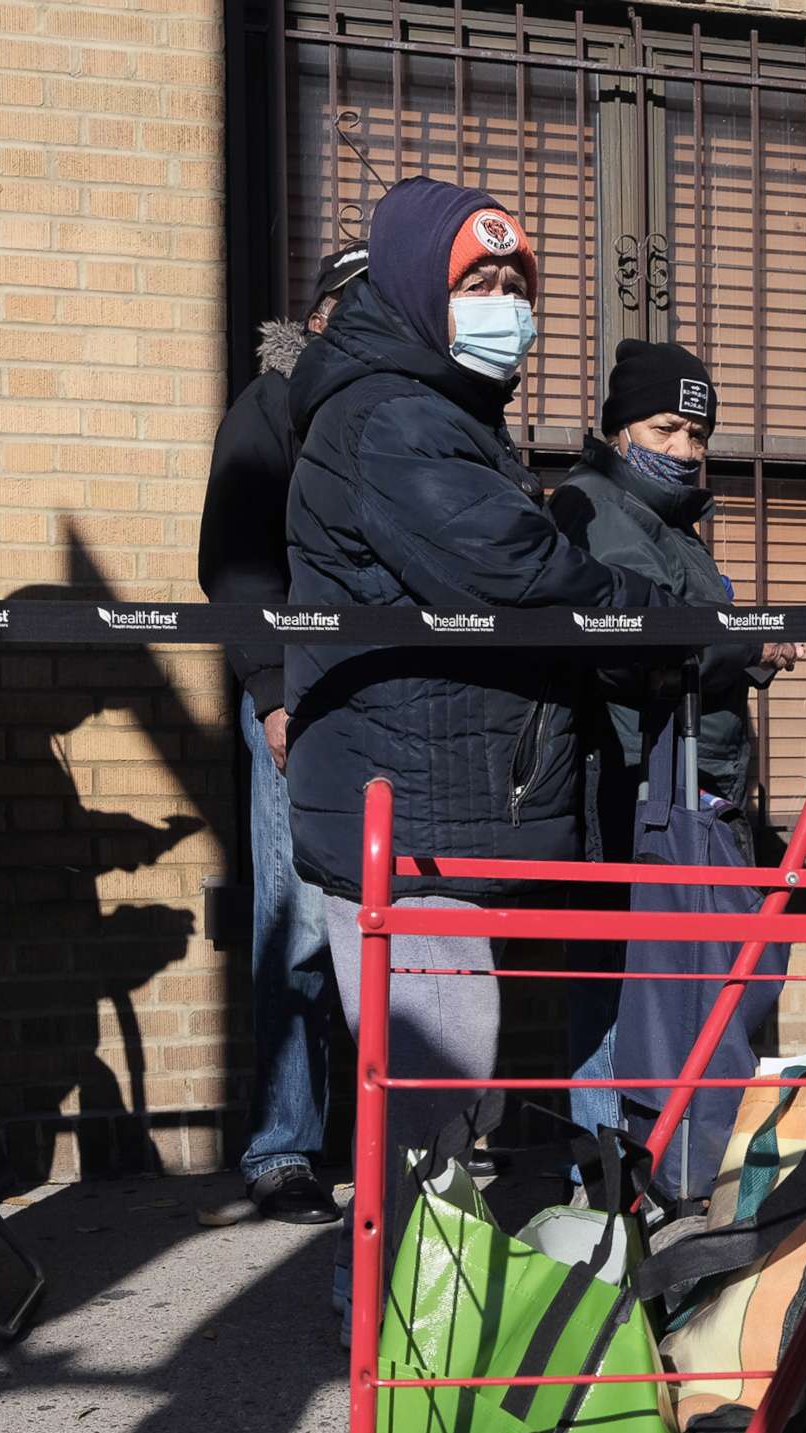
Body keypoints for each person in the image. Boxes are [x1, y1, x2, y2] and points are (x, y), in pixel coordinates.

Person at [283, 175, 666, 1178]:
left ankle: (396, 1303)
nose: (506, 304)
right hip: (414, 811)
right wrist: (646, 608)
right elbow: (514, 569)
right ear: (415, 289)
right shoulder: (398, 419)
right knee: (436, 1102)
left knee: (438, 1102)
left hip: (432, 796)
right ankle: (411, 1321)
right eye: (478, 281)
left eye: (513, 280)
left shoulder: (441, 409)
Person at [548, 339, 796, 1144]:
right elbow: (634, 645)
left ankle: (651, 1159)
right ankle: (606, 1169)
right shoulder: (593, 507)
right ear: (619, 428)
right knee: (621, 977)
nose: (684, 451)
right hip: (628, 779)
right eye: (664, 430)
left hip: (690, 778)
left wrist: (737, 647)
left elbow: (690, 628)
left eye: (697, 436)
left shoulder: (669, 521)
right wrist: (745, 646)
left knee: (668, 976)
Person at [194, 244, 369, 1228]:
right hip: (303, 704)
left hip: (397, 704)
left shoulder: (400, 417)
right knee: (298, 925)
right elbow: (239, 564)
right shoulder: (274, 406)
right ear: (322, 317)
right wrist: (269, 693)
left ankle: (402, 1142)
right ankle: (286, 1150)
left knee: (406, 928)